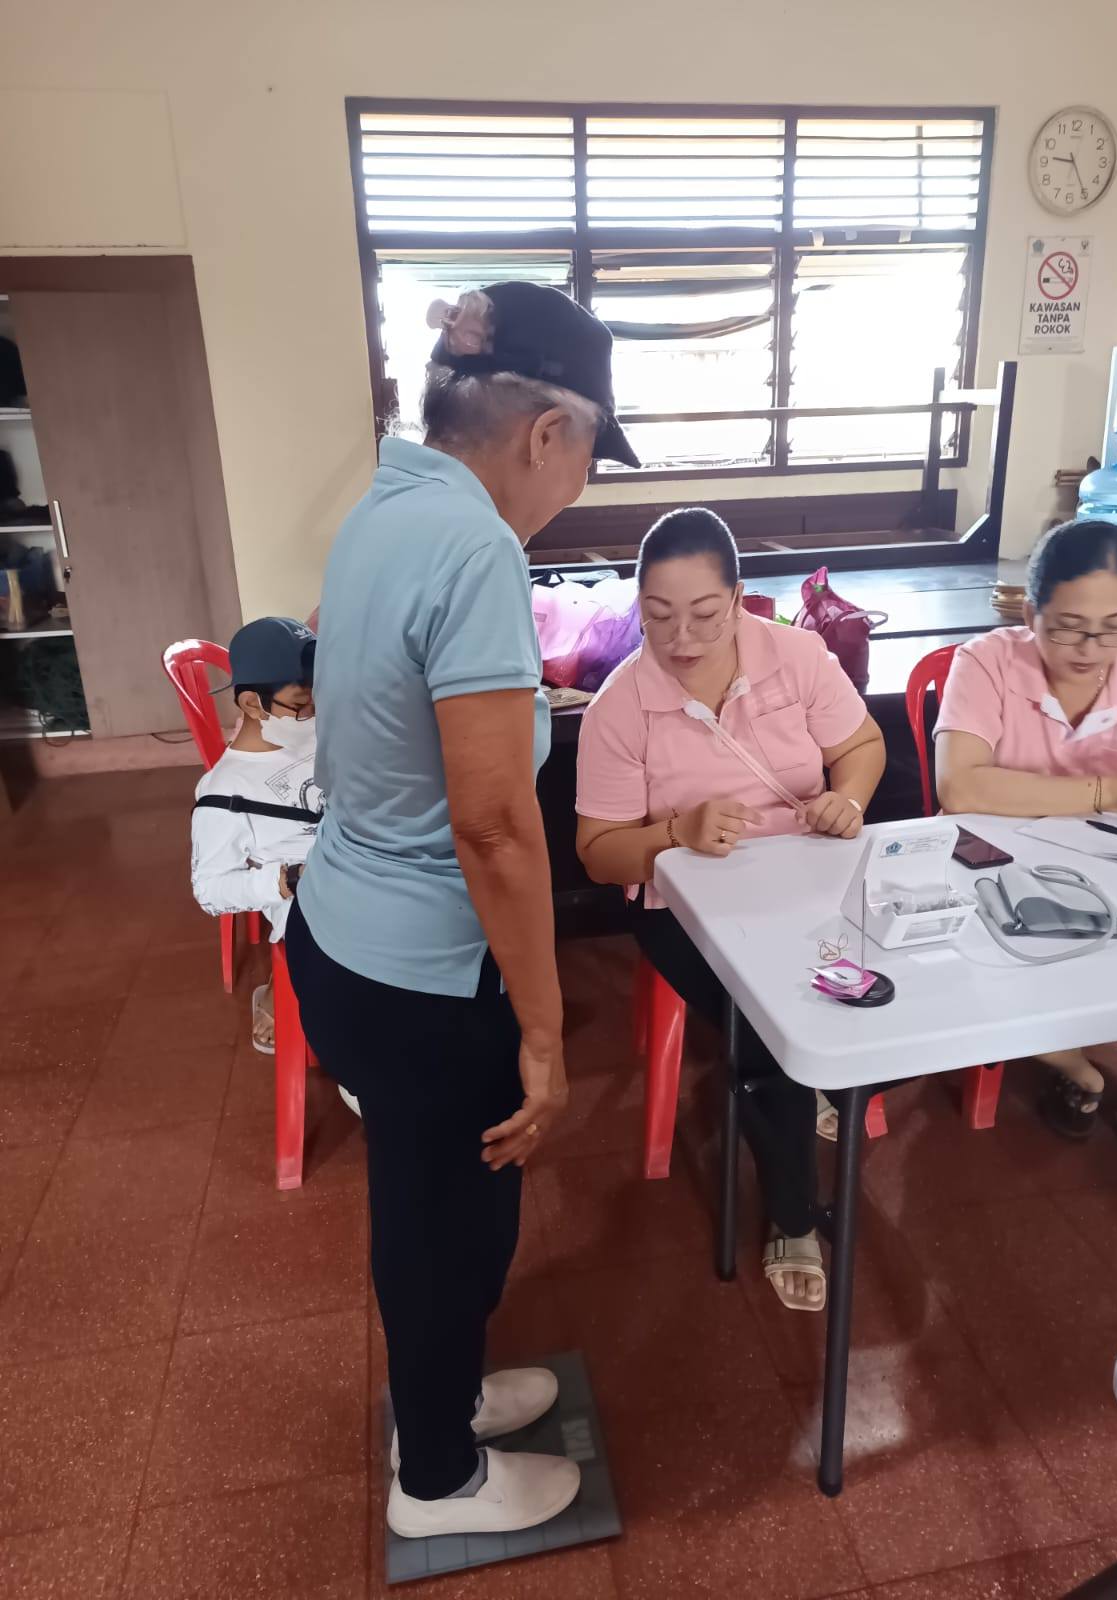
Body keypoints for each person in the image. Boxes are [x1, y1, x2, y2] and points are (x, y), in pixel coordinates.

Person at [286, 283, 639, 1538]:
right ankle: (435, 1478)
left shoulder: (390, 501)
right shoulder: (478, 546)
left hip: (344, 934)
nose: (578, 486)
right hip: (426, 976)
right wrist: (543, 1032)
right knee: (446, 1221)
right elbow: (493, 829)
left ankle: (447, 1399)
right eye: (587, 455)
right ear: (547, 431)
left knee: (433, 1201)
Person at [575, 508, 886, 1310]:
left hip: (805, 873)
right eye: (658, 615)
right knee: (767, 1031)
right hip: (683, 904)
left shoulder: (795, 656)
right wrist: (674, 833)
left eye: (705, 614)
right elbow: (599, 852)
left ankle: (826, 1073)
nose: (681, 638)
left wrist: (848, 800)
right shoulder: (619, 708)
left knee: (898, 971)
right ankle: (794, 1215)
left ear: (740, 598)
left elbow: (860, 747)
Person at [935, 518, 1117, 1199]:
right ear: (1031, 613)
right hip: (996, 866)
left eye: (1114, 629)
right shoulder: (987, 663)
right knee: (979, 961)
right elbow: (961, 787)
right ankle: (1074, 1063)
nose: (1090, 650)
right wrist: (1113, 790)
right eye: (1067, 628)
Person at [191, 617, 320, 1053]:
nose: (314, 714)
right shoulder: (225, 792)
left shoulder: (318, 734)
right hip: (312, 907)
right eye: (302, 704)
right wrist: (286, 880)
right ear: (252, 704)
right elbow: (210, 892)